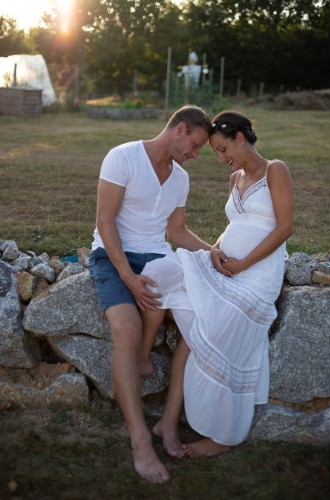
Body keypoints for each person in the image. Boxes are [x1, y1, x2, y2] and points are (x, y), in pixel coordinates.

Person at [141, 110, 294, 458]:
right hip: (230, 270)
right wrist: (215, 252)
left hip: (256, 278)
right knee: (185, 316)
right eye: (216, 153)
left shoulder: (275, 170)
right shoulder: (234, 179)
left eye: (223, 149)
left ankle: (224, 435)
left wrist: (243, 263)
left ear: (240, 137)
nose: (222, 159)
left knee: (211, 339)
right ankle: (168, 420)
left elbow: (284, 228)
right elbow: (235, 226)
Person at [88, 105, 212, 484]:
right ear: (179, 129)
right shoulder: (123, 156)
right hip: (113, 256)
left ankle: (168, 424)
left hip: (159, 258)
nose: (195, 154)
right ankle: (140, 440)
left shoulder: (180, 179)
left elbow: (176, 233)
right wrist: (127, 277)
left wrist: (213, 254)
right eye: (194, 145)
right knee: (126, 331)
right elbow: (104, 221)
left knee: (199, 322)